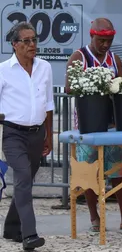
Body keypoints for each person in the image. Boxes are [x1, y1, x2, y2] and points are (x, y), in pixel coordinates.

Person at [65, 18, 122, 232]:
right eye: (101, 40)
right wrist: (93, 85)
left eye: (109, 40)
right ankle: (94, 218)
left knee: (120, 169)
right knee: (90, 171)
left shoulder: (114, 59)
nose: (105, 45)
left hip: (112, 124)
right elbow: (68, 87)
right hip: (88, 125)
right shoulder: (79, 56)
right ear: (92, 36)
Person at [1, 22, 54, 250]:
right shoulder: (3, 70)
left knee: (25, 182)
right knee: (22, 176)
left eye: (34, 40)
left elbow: (49, 104)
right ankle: (29, 235)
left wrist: (49, 136)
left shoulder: (45, 68)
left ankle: (11, 227)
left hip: (37, 134)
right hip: (12, 133)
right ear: (14, 45)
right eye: (26, 41)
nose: (32, 45)